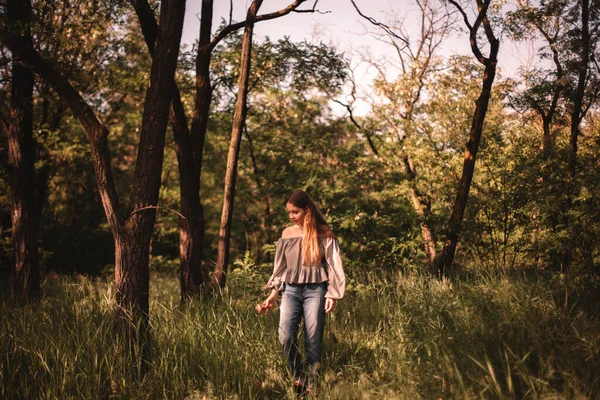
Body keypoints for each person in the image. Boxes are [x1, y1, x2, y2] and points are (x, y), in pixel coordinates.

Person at [256, 190, 345, 394]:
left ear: (307, 210)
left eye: (295, 212)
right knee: (285, 337)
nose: (291, 216)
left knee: (312, 339)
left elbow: (334, 265)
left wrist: (332, 293)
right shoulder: (287, 234)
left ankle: (313, 388)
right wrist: (272, 295)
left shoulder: (324, 233)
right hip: (290, 291)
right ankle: (299, 376)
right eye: (289, 213)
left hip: (316, 290)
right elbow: (280, 269)